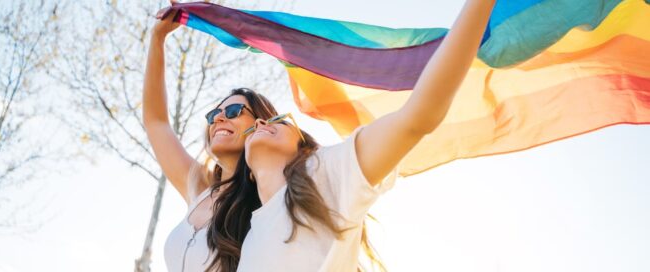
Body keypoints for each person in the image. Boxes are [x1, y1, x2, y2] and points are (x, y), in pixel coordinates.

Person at [237, 0, 497, 271]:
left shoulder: (326, 171)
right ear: (250, 172)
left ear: (303, 148)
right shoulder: (250, 238)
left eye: (280, 120)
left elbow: (417, 116)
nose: (262, 123)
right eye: (252, 128)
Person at [144, 4, 280, 271]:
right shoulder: (199, 187)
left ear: (261, 123)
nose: (219, 118)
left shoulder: (272, 199)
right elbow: (156, 123)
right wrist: (157, 38)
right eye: (213, 114)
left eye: (233, 111)